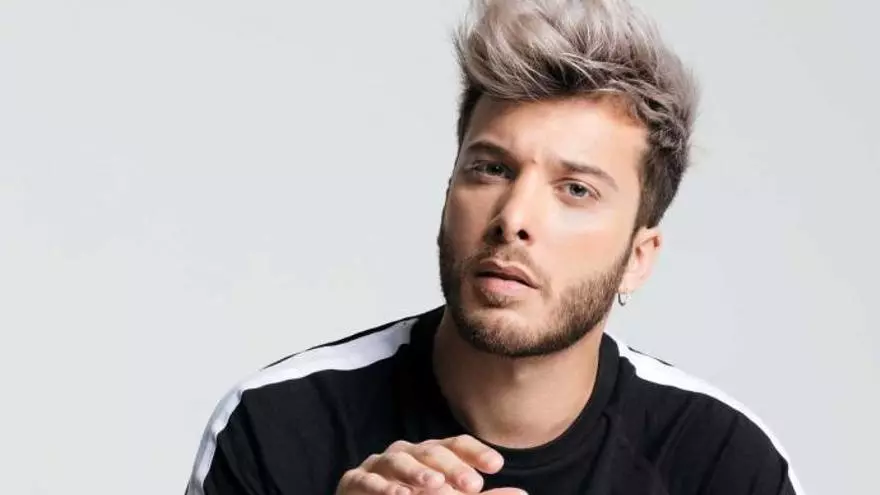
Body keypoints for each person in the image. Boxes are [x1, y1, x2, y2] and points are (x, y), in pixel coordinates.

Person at [185, 0, 803, 493]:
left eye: (576, 189)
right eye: (491, 169)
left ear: (637, 259)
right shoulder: (277, 423)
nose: (514, 218)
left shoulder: (725, 462)